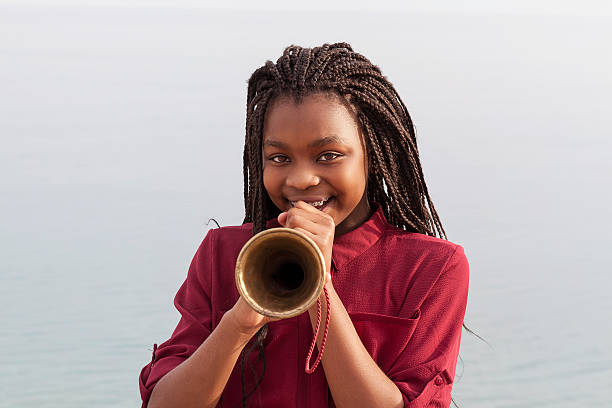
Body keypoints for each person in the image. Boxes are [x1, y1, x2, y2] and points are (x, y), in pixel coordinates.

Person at [139, 42, 469, 408]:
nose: (301, 179)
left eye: (328, 156)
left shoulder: (433, 267)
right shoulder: (222, 254)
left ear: (371, 156)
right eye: (279, 157)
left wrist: (319, 286)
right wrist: (239, 322)